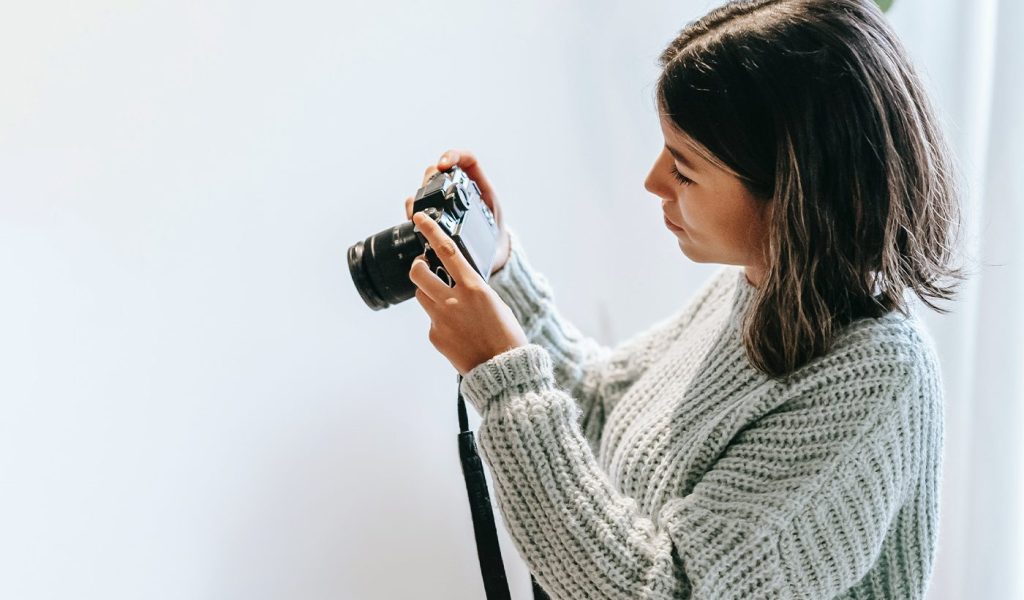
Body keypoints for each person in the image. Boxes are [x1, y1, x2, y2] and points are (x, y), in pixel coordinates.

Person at [405, 0, 969, 597]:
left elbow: (671, 589)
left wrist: (502, 374)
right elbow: (602, 410)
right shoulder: (760, 287)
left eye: (684, 168)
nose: (652, 181)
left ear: (794, 188)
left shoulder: (874, 380)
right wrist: (501, 268)